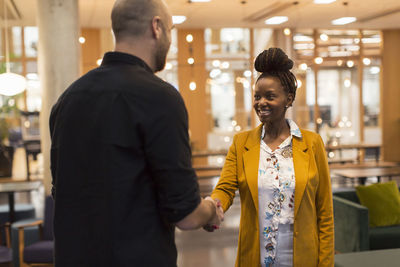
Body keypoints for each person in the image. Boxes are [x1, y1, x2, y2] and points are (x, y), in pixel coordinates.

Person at [49, 0, 223, 266]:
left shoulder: (67, 100)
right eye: (171, 30)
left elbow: (62, 191)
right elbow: (186, 214)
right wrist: (211, 209)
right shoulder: (160, 98)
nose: (170, 40)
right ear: (156, 27)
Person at [210, 48, 334, 267]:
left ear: (289, 99)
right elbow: (226, 187)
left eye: (270, 96)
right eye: (257, 96)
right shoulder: (242, 143)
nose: (261, 102)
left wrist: (325, 263)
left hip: (303, 258)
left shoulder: (312, 144)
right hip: (256, 257)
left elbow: (324, 213)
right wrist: (213, 206)